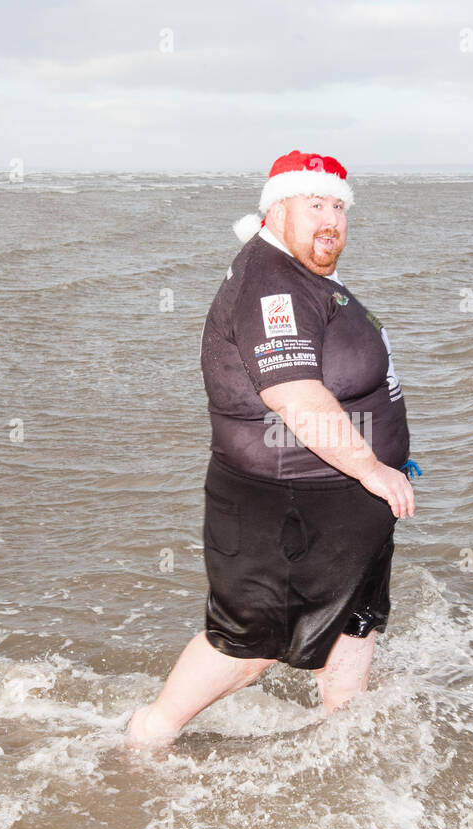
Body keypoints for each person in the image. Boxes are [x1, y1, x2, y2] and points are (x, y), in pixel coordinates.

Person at [125, 150, 417, 748]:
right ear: (277, 207)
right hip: (284, 505)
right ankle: (147, 737)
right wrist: (370, 466)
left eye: (338, 205)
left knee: (356, 624)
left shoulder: (306, 274)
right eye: (315, 204)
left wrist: (377, 472)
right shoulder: (271, 285)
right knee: (250, 644)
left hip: (339, 501)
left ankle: (348, 734)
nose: (330, 218)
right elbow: (295, 396)